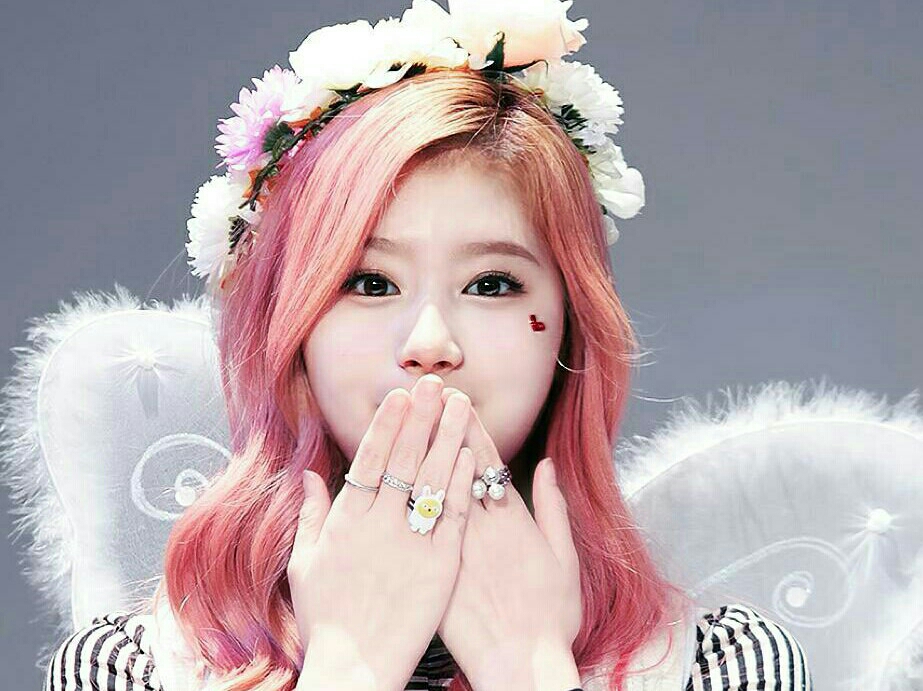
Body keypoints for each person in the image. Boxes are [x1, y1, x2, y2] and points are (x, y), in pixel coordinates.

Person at [44, 1, 813, 690]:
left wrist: (527, 668)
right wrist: (350, 667)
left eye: (492, 283)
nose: (429, 343)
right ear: (290, 324)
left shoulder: (722, 665)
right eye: (369, 281)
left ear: (572, 323)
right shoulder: (130, 669)